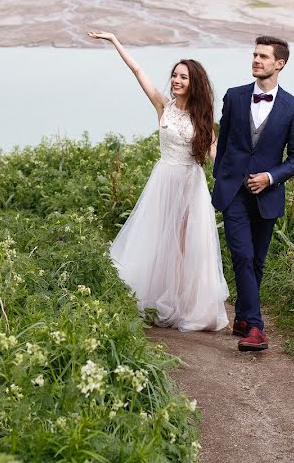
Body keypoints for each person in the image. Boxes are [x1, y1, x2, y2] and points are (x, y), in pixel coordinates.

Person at [87, 31, 229, 332]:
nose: (177, 81)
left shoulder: (202, 118)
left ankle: (184, 303)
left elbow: (216, 156)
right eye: (175, 76)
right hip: (163, 180)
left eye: (184, 78)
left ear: (194, 84)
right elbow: (137, 71)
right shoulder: (163, 106)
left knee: (184, 244)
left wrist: (235, 182)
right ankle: (162, 300)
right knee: (160, 240)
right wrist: (114, 40)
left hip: (190, 184)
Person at [212, 36, 294, 351]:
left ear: (279, 63)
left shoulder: (293, 107)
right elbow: (223, 143)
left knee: (257, 262)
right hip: (234, 193)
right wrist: (223, 180)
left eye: (263, 56)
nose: (256, 60)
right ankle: (256, 327)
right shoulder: (234, 97)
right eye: (254, 54)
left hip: (267, 195)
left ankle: (242, 316)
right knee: (242, 254)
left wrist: (270, 177)